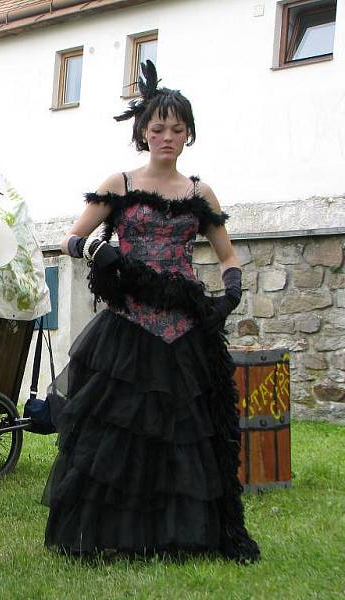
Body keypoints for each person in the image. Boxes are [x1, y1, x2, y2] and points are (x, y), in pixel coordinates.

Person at [43, 60, 260, 562]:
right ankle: (115, 534)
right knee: (121, 428)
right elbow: (70, 238)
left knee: (186, 430)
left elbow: (227, 254)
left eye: (177, 129)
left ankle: (180, 534)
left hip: (185, 325)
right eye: (158, 127)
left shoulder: (199, 192)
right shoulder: (118, 184)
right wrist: (102, 253)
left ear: (188, 135)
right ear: (142, 131)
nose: (167, 136)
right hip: (128, 324)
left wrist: (230, 292)